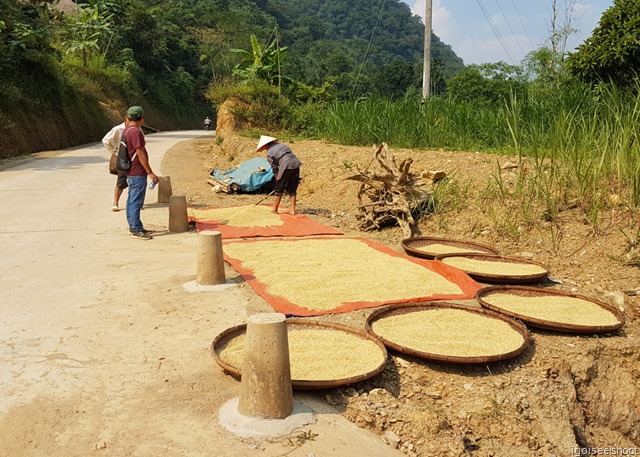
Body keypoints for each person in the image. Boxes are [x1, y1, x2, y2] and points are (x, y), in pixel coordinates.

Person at [123, 106, 159, 239]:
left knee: (131, 200)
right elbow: (140, 152)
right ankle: (136, 228)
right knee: (136, 201)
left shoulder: (127, 130)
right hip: (137, 171)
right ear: (141, 117)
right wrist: (150, 172)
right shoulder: (136, 132)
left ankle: (134, 225)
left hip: (130, 171)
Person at [257, 135, 301, 215]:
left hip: (286, 165)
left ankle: (275, 209)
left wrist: (278, 179)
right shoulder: (283, 145)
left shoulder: (269, 153)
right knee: (292, 188)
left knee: (279, 189)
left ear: (265, 145)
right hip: (295, 164)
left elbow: (274, 168)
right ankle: (293, 210)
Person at [102, 118, 129, 212]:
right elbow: (105, 140)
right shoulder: (118, 129)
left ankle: (133, 202)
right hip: (121, 157)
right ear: (126, 118)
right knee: (121, 180)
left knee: (134, 179)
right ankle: (115, 203)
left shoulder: (137, 128)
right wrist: (114, 151)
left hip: (133, 157)